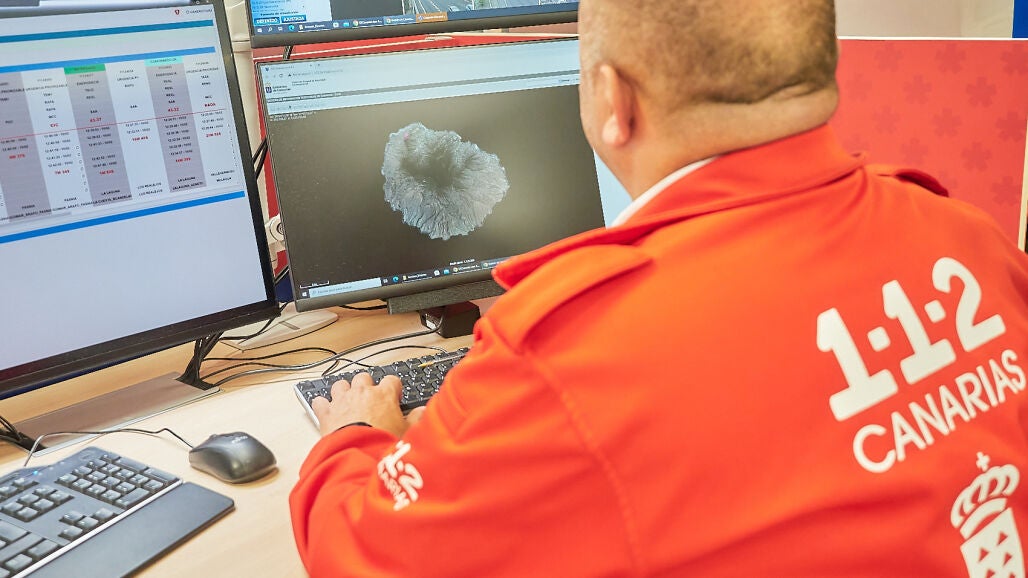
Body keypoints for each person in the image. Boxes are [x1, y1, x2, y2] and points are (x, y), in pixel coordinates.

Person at [291, 0, 1028, 575]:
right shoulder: (969, 238)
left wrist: (354, 438)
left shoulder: (582, 353)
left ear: (614, 100)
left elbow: (366, 558)